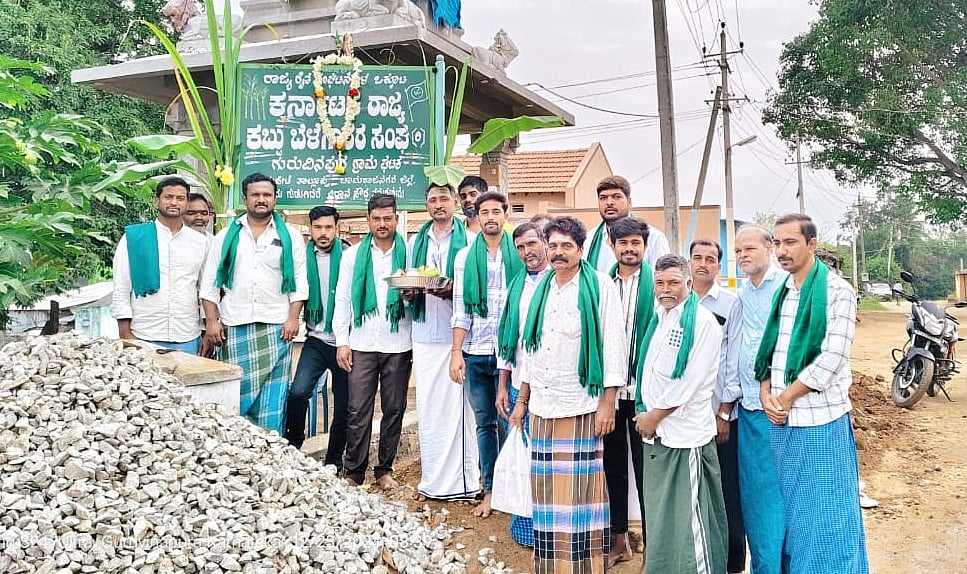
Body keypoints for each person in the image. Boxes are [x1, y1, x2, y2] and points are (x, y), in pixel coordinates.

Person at [508, 215, 626, 573]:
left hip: (582, 407)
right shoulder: (540, 290)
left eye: (566, 246)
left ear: (580, 249)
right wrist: (522, 402)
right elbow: (529, 351)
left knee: (580, 498)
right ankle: (550, 566)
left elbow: (614, 349)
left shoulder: (601, 288)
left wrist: (608, 403)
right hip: (543, 407)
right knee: (546, 497)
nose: (558, 253)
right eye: (553, 245)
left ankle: (583, 567)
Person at [754, 213, 869, 574]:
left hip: (821, 421)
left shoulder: (837, 291)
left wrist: (785, 398)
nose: (782, 251)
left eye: (790, 242)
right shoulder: (784, 291)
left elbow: (832, 359)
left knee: (829, 515)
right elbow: (770, 349)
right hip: (784, 424)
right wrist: (764, 390)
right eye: (777, 243)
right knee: (800, 516)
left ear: (811, 245)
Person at [635, 254, 728, 574]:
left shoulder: (702, 323)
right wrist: (646, 413)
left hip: (685, 438)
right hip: (659, 434)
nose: (665, 289)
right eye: (659, 283)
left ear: (689, 283)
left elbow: (687, 382)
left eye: (674, 282)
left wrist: (654, 416)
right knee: (665, 519)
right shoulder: (660, 317)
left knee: (691, 521)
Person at [200, 173, 309, 435]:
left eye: (267, 195)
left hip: (276, 326)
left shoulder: (290, 236)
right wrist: (212, 322)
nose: (261, 199)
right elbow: (209, 285)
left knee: (272, 397)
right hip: (234, 326)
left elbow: (300, 283)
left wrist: (293, 318)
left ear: (274, 198)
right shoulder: (226, 236)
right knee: (237, 395)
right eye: (256, 195)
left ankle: (269, 449)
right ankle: (235, 448)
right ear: (245, 198)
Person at [450, 190, 523, 518]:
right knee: (484, 424)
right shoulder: (465, 256)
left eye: (497, 211)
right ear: (476, 217)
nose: (491, 217)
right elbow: (460, 308)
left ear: (505, 215)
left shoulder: (519, 254)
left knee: (512, 422)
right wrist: (455, 352)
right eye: (485, 212)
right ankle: (491, 490)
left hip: (511, 353)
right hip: (476, 353)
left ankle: (515, 491)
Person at [333, 193, 413, 490]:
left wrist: (410, 296)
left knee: (394, 410)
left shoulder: (409, 254)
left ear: (396, 218)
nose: (382, 224)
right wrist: (342, 341)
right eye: (376, 219)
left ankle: (384, 470)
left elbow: (418, 291)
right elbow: (342, 299)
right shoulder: (353, 255)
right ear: (368, 220)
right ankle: (354, 472)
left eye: (387, 218)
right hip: (362, 343)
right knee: (358, 410)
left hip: (399, 342)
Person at [405, 183, 480, 501]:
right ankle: (432, 481)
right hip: (424, 335)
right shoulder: (414, 242)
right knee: (430, 409)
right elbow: (409, 279)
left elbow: (475, 292)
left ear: (454, 203)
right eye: (432, 199)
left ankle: (465, 483)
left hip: (458, 338)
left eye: (444, 199)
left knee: (461, 411)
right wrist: (409, 291)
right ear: (427, 204)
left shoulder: (471, 243)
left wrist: (451, 291)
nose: (439, 204)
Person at [689, 238, 746, 573]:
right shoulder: (677, 300)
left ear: (719, 266)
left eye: (711, 259)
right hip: (683, 417)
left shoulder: (730, 303)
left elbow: (733, 360)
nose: (703, 264)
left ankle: (732, 561)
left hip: (719, 414)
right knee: (694, 490)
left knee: (726, 489)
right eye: (697, 257)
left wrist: (724, 410)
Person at [734, 224, 788, 574]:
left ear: (770, 248)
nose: (743, 255)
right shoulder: (742, 292)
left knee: (781, 495)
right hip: (749, 408)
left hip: (782, 408)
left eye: (750, 248)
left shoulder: (786, 287)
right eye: (738, 251)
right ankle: (765, 566)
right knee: (755, 498)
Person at [495, 221, 550, 547]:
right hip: (517, 384)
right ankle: (527, 530)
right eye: (521, 247)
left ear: (544, 242)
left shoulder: (556, 282)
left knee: (547, 460)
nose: (527, 252)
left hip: (549, 387)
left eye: (532, 244)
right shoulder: (515, 286)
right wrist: (503, 386)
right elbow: (508, 342)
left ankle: (550, 528)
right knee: (524, 459)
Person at [602, 217, 653, 566]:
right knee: (612, 465)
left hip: (645, 393)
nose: (629, 249)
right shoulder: (601, 284)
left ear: (644, 247)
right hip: (609, 393)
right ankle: (619, 539)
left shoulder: (657, 284)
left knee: (647, 469)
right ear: (612, 246)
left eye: (636, 243)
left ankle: (654, 544)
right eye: (623, 243)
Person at [283, 206, 351, 470]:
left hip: (345, 342)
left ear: (337, 228)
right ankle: (293, 448)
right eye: (318, 227)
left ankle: (334, 461)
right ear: (310, 228)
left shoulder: (348, 256)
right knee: (298, 392)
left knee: (344, 405)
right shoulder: (301, 256)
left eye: (328, 227)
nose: (323, 233)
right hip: (315, 339)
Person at [111, 176, 209, 354]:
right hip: (143, 334)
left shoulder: (200, 242)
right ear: (157, 201)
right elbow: (121, 285)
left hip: (187, 334)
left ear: (187, 203)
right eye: (168, 197)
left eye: (180, 198)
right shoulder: (135, 238)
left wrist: (208, 327)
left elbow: (205, 288)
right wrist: (124, 331)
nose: (174, 202)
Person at [585, 175, 670, 272]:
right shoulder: (589, 239)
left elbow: (664, 277)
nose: (609, 202)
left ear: (629, 202)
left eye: (616, 197)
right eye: (603, 198)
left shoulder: (653, 238)